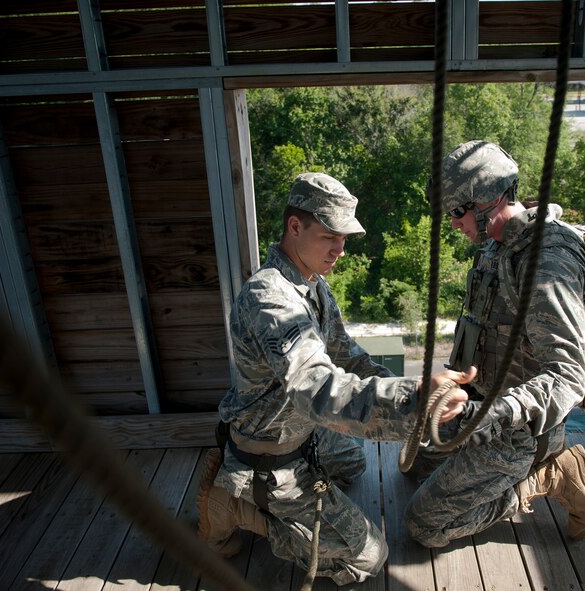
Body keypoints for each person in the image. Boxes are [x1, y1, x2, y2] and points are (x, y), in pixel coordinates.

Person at [196, 172, 474, 585]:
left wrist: (409, 390)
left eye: (344, 239)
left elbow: (347, 354)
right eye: (330, 236)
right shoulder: (271, 300)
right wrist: (412, 400)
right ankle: (236, 506)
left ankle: (255, 494)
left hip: (303, 433)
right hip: (271, 452)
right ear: (295, 226)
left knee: (354, 461)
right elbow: (319, 391)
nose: (340, 250)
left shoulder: (312, 286)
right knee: (368, 558)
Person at [404, 140, 585, 548]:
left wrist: (494, 412)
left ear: (491, 200)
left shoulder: (545, 264)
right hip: (480, 406)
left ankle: (549, 472)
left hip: (518, 430)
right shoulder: (498, 245)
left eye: (459, 212)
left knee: (425, 526)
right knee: (416, 468)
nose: (454, 224)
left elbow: (568, 377)